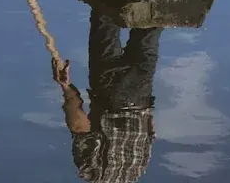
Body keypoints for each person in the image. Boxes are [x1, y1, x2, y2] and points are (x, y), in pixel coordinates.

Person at [53, 11, 162, 183]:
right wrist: (66, 88)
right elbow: (80, 127)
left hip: (142, 93)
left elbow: (151, 130)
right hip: (109, 93)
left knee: (150, 21)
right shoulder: (94, 175)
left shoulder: (136, 172)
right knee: (105, 18)